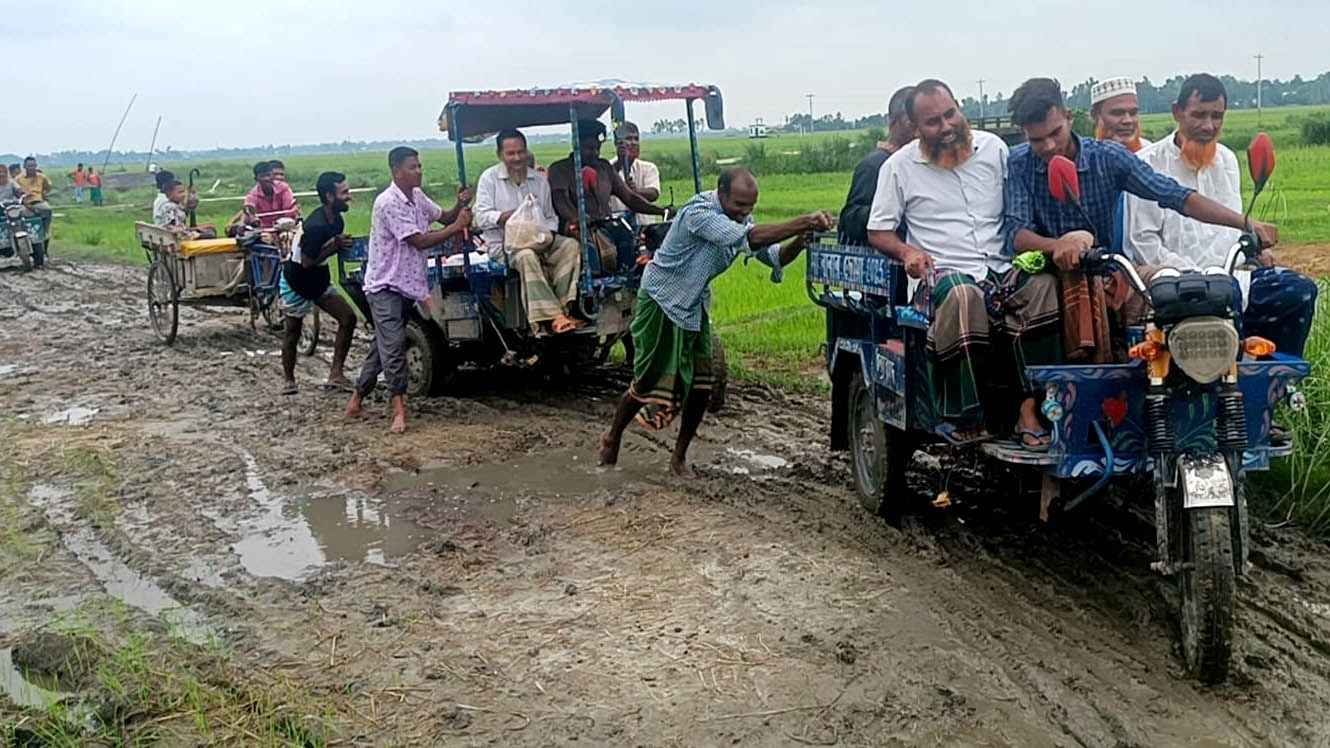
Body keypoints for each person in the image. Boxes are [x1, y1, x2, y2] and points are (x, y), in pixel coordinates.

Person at [1003, 77, 1279, 363]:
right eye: (1037, 140)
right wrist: (1059, 244)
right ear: (1024, 135)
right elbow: (1018, 233)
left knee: (1170, 288)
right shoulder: (1020, 162)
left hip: (1108, 267)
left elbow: (1176, 195)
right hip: (1047, 269)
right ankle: (1035, 394)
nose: (1049, 146)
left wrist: (1244, 223)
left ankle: (1190, 381)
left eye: (1055, 133)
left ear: (1069, 118)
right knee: (1040, 293)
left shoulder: (1108, 158)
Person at [598, 167, 835, 476]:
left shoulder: (740, 219)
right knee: (647, 381)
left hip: (693, 306)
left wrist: (801, 241)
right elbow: (750, 237)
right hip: (661, 300)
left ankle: (678, 458)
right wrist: (803, 220)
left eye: (750, 207)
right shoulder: (698, 212)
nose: (744, 213)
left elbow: (774, 256)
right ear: (721, 193)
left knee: (701, 386)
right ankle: (613, 435)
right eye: (738, 205)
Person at [867, 79, 1059, 449]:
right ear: (916, 128)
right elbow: (879, 231)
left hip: (999, 268)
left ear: (960, 107)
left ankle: (1030, 408)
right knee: (962, 294)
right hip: (940, 274)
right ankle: (965, 414)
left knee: (1043, 286)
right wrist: (909, 254)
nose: (946, 127)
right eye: (933, 122)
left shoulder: (994, 149)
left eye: (950, 114)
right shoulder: (899, 167)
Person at [1127, 73, 1318, 358]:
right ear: (1177, 112)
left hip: (1232, 277)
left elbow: (1233, 231)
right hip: (1175, 283)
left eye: (1217, 116)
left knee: (1300, 290)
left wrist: (1252, 253)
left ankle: (1275, 382)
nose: (1208, 126)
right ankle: (1232, 378)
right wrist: (1197, 276)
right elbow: (1142, 243)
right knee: (1224, 298)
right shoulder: (1147, 164)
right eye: (1199, 115)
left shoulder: (1227, 160)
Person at [345, 146, 472, 434]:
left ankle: (356, 399)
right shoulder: (388, 203)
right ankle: (399, 410)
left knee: (382, 346)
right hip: (386, 285)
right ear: (396, 170)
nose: (419, 170)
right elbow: (419, 241)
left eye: (419, 165)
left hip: (407, 285)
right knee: (393, 347)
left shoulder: (416, 197)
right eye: (413, 167)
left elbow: (445, 216)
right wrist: (456, 228)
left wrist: (459, 204)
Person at [474, 128, 585, 334]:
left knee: (571, 246)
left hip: (540, 240)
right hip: (506, 246)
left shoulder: (539, 180)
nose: (517, 158)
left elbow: (551, 218)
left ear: (526, 152)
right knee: (526, 255)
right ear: (500, 155)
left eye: (521, 152)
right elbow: (480, 216)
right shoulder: (489, 179)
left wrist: (541, 230)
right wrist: (508, 217)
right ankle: (554, 316)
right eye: (511, 153)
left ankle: (564, 308)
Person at [548, 119, 667, 273]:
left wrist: (659, 210)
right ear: (576, 144)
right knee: (590, 247)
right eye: (589, 148)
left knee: (630, 241)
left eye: (597, 148)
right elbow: (561, 201)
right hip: (577, 230)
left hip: (606, 226)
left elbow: (629, 198)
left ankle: (628, 284)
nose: (594, 153)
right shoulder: (560, 170)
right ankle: (595, 290)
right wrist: (577, 218)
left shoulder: (604, 168)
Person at [280, 171, 360, 394]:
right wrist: (334, 246)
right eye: (344, 192)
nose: (349, 196)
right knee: (293, 330)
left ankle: (336, 374)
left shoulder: (336, 221)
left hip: (318, 280)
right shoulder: (316, 225)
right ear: (329, 196)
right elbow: (306, 262)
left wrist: (336, 244)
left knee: (348, 318)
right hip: (297, 281)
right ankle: (289, 380)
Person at [839, 86, 916, 245]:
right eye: (911, 123)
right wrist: (891, 210)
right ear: (893, 121)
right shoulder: (875, 165)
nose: (918, 131)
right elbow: (850, 219)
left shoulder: (926, 164)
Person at [608, 121, 662, 226]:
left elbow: (654, 193)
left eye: (636, 139)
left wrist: (635, 191)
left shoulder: (648, 168)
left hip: (645, 229)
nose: (633, 143)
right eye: (628, 139)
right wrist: (620, 162)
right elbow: (605, 183)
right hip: (617, 229)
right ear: (617, 143)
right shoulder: (608, 168)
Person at [1090, 77, 1150, 154]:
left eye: (1133, 113)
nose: (1128, 120)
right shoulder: (1085, 160)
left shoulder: (1153, 157)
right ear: (1095, 116)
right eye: (1118, 113)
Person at [243, 160, 299, 228]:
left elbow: (289, 210)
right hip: (263, 229)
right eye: (262, 176)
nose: (266, 178)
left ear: (272, 175)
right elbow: (249, 210)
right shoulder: (252, 196)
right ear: (256, 179)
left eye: (268, 175)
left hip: (285, 226)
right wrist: (252, 218)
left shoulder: (284, 188)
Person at [15, 157, 54, 237]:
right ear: (24, 166)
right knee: (16, 215)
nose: (31, 168)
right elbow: (15, 191)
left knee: (48, 210)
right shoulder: (18, 179)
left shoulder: (42, 177)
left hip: (38, 202)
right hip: (24, 203)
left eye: (33, 165)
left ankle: (45, 231)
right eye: (29, 166)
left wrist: (44, 194)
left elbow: (49, 187)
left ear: (36, 166)